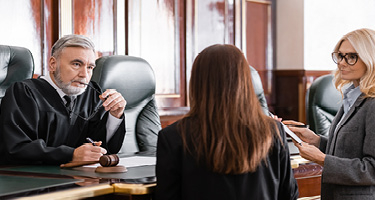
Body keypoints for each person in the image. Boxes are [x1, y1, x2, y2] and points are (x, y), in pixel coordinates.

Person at [156, 44, 299, 200]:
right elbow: (289, 195)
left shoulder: (173, 136)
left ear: (197, 83)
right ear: (244, 81)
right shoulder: (273, 130)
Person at [0, 34, 127, 165]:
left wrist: (114, 115)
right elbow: (16, 148)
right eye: (77, 64)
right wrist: (70, 155)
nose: (84, 74)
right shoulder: (24, 92)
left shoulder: (91, 93)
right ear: (53, 64)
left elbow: (101, 146)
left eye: (90, 67)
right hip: (31, 179)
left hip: (79, 180)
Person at [285, 28, 375, 200]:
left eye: (351, 57)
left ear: (370, 59)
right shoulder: (351, 96)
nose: (342, 62)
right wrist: (317, 141)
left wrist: (322, 160)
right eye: (340, 56)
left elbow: (371, 170)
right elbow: (349, 151)